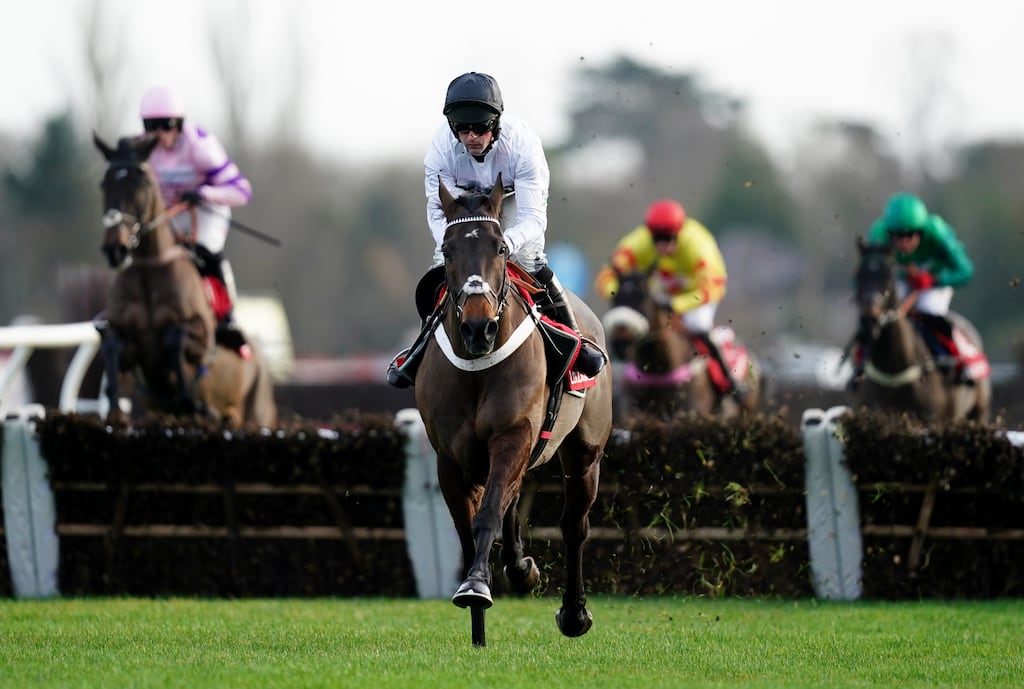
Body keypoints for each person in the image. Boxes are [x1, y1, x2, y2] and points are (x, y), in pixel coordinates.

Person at [386, 72, 606, 388]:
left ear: (496, 122)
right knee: (442, 265)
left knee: (529, 259)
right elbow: (437, 211)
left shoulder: (522, 145)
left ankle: (575, 340)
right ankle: (421, 346)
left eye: (480, 128)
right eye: (462, 129)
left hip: (513, 201)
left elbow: (532, 219)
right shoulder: (440, 149)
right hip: (464, 208)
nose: (471, 137)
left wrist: (503, 245)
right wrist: (453, 245)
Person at [138, 85, 253, 355]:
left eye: (165, 126)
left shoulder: (200, 147)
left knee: (204, 254)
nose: (158, 134)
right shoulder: (141, 149)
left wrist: (204, 193)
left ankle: (227, 318)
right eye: (151, 126)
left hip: (204, 213)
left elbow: (242, 191)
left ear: (179, 125)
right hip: (167, 215)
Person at [594, 198, 745, 401]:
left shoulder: (699, 245)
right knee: (627, 325)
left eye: (669, 238)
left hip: (695, 297)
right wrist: (620, 293)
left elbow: (713, 287)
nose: (663, 246)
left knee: (698, 325)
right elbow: (606, 276)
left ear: (679, 232)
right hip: (658, 296)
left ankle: (728, 381)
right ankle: (612, 383)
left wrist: (677, 305)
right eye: (657, 239)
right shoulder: (638, 241)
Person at [850, 191, 975, 386]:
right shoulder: (878, 234)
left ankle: (959, 364)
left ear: (921, 232)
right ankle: (859, 364)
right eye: (897, 236)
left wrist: (934, 279)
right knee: (880, 318)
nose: (903, 243)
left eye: (910, 235)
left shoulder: (937, 232)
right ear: (889, 233)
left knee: (929, 311)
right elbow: (867, 273)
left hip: (934, 282)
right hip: (900, 281)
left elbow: (966, 271)